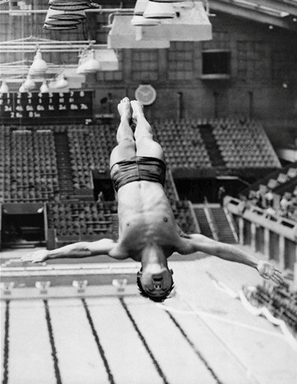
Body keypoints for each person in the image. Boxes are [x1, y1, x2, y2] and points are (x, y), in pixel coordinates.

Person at [22, 98, 283, 302]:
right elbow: (217, 248)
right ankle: (141, 114)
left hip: (123, 175)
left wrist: (50, 254)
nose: (158, 287)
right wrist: (256, 262)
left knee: (125, 138)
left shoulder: (123, 249)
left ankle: (124, 116)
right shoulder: (179, 244)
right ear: (170, 275)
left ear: (140, 276)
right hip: (151, 171)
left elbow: (85, 249)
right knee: (145, 137)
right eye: (164, 288)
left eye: (151, 289)